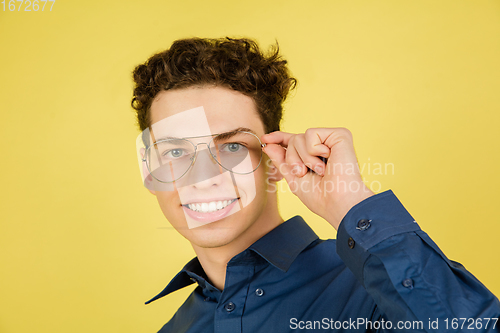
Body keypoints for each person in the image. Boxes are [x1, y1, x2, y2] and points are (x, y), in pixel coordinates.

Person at [130, 37, 500, 332]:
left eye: (231, 147)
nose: (204, 178)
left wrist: (350, 204)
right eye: (175, 152)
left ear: (274, 160)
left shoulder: (376, 292)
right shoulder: (178, 328)